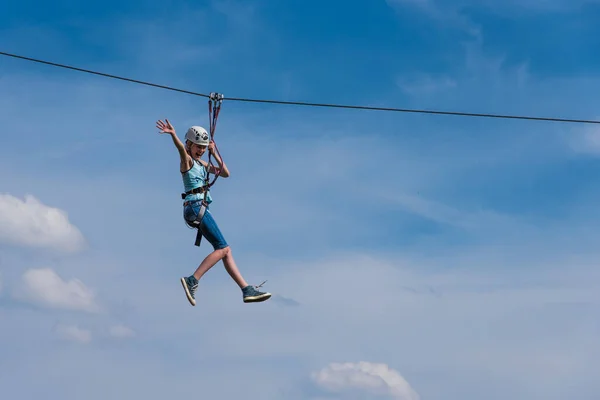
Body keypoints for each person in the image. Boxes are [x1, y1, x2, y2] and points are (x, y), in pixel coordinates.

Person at [156, 118, 271, 306]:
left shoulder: (202, 164)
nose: (200, 150)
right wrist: (174, 135)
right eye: (197, 146)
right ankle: (192, 279)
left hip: (198, 208)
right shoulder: (187, 162)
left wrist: (214, 151)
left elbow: (225, 173)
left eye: (202, 147)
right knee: (223, 248)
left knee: (226, 251)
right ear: (189, 144)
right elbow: (179, 150)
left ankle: (245, 289)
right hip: (195, 207)